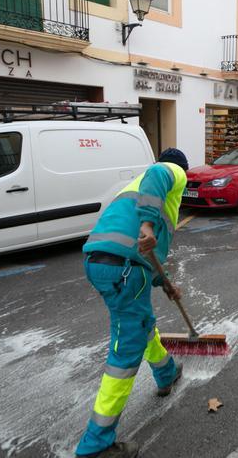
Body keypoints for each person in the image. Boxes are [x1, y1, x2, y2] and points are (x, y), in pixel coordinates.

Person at [75, 148, 189, 458]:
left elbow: (146, 254)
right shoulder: (170, 172)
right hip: (123, 268)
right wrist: (149, 225)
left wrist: (164, 284)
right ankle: (95, 445)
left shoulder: (133, 187)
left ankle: (166, 372)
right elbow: (159, 174)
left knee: (140, 322)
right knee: (126, 350)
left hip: (102, 262)